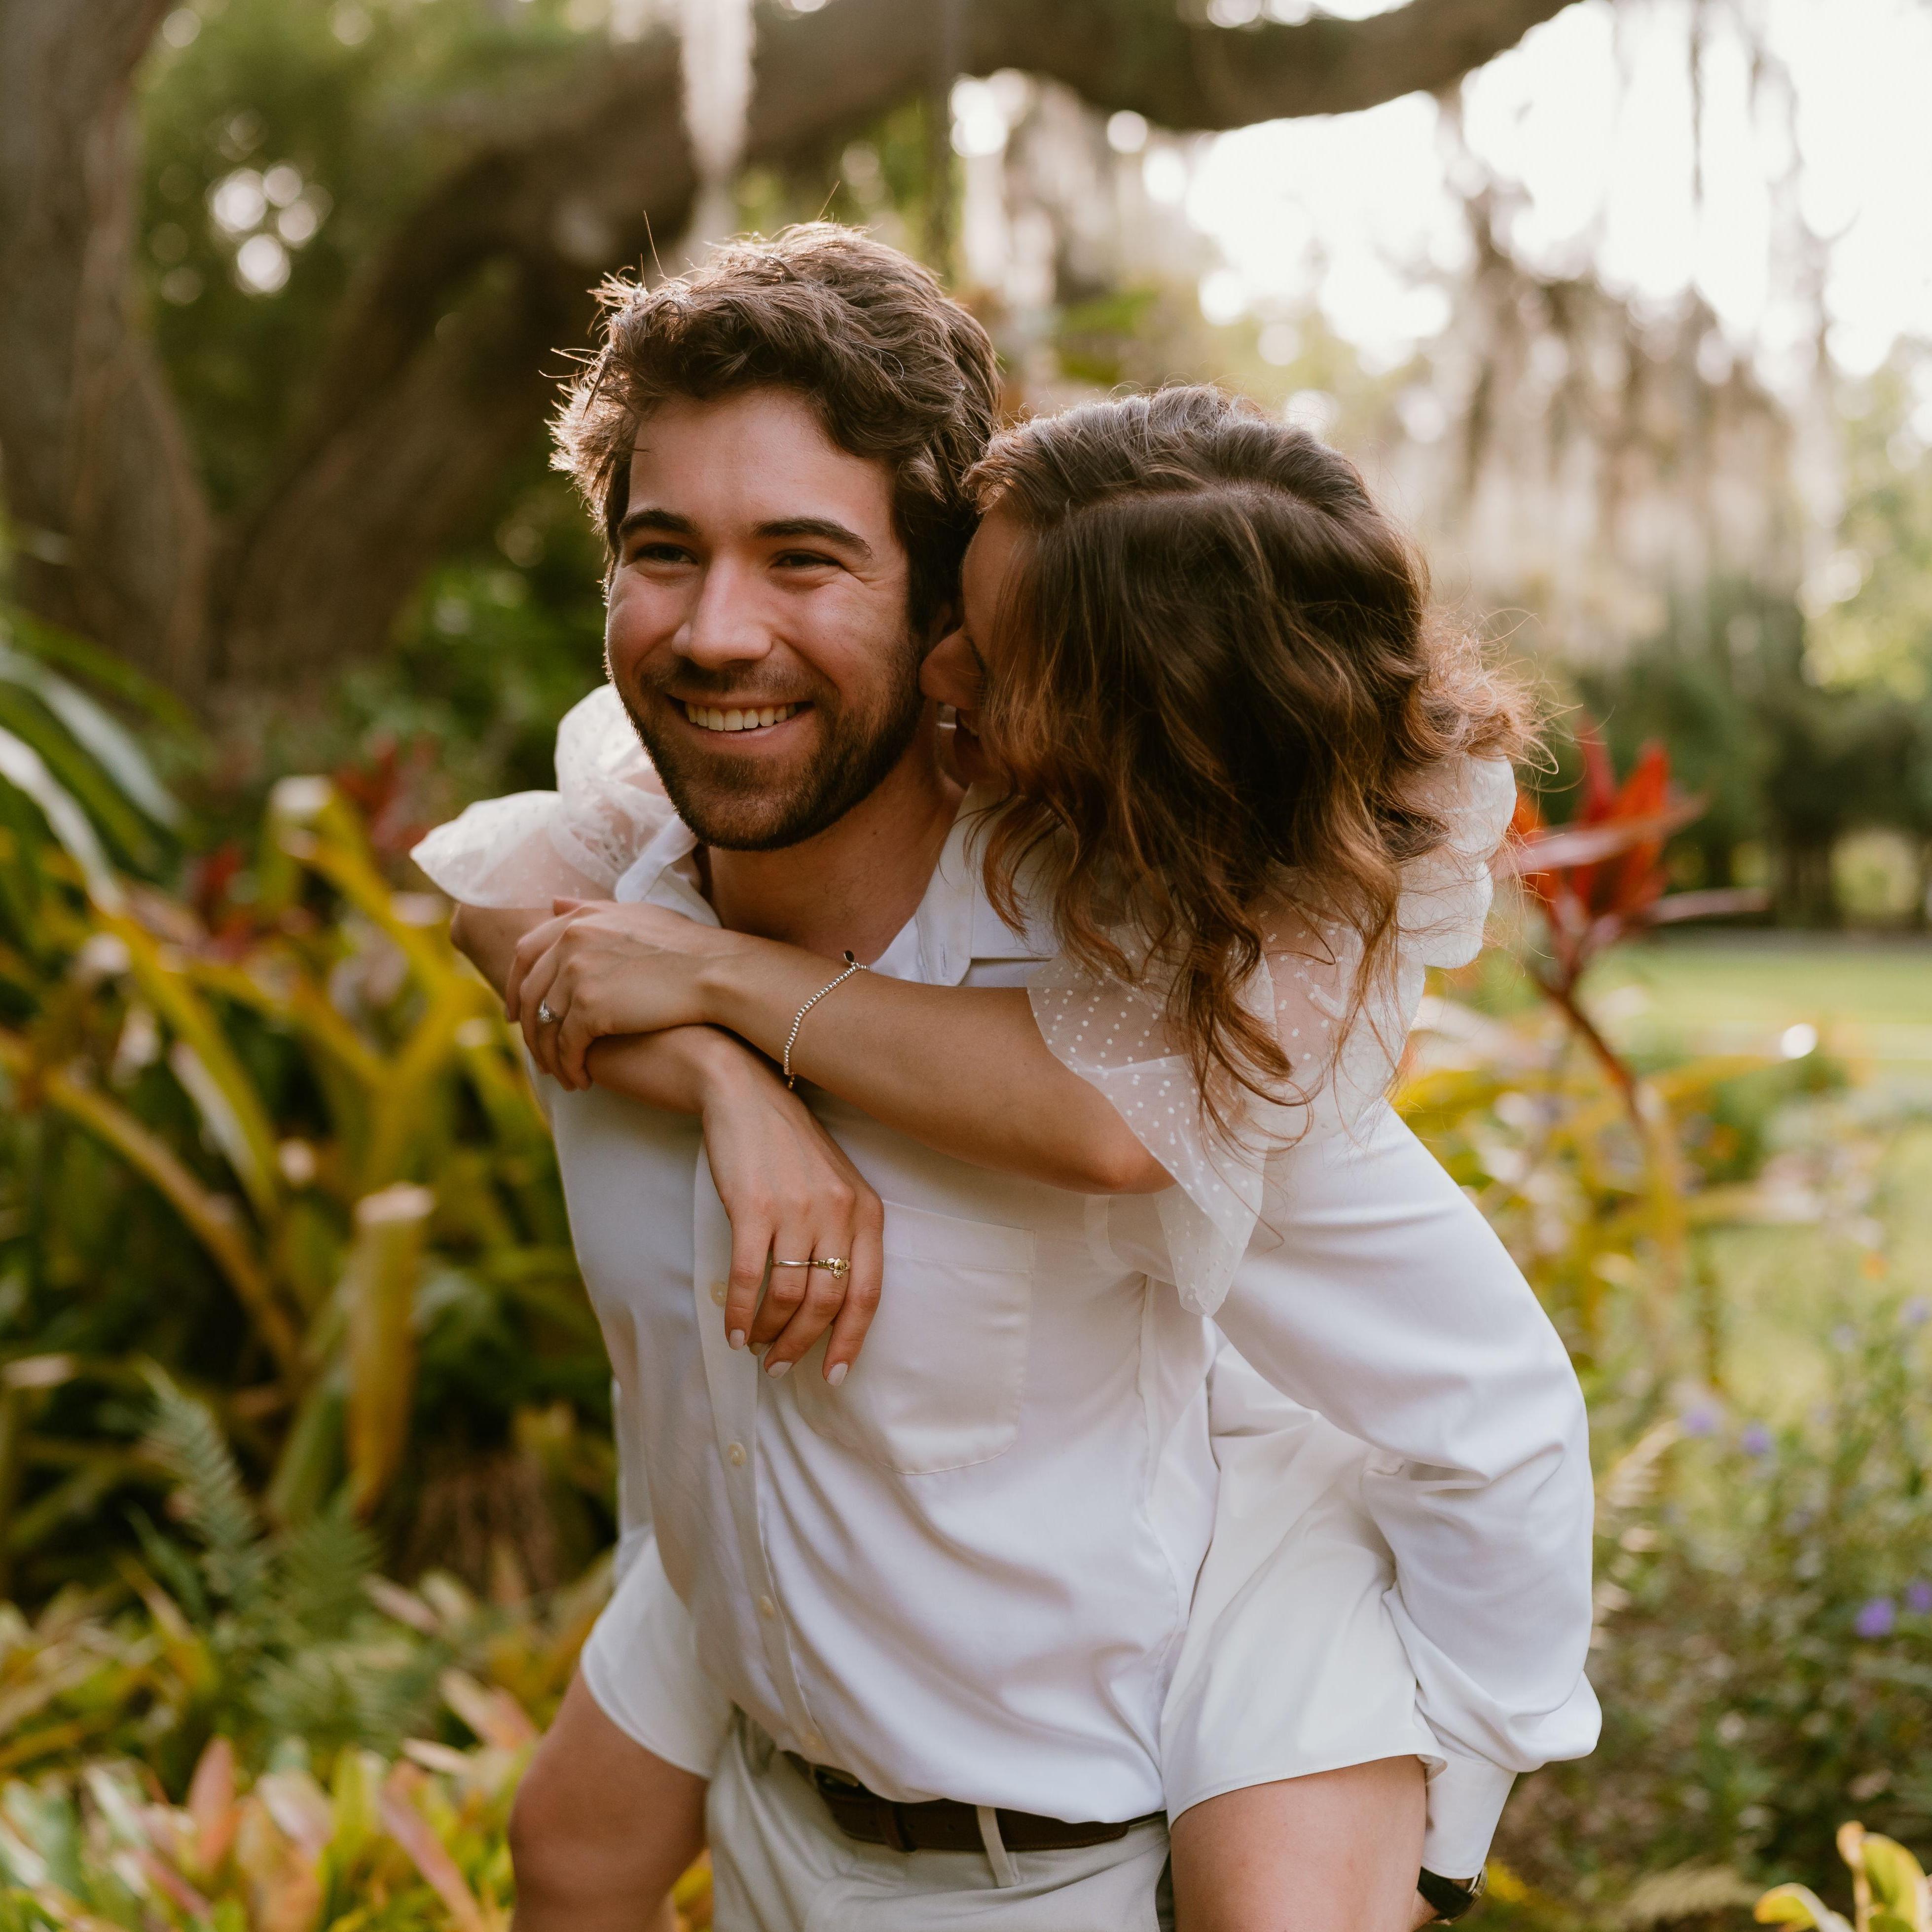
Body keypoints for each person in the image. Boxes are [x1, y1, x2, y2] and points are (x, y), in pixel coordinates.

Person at [414, 226, 1597, 1932]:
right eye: (664, 551)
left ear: (942, 585)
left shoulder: (1161, 1022)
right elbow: (497, 889)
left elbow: (1483, 1415)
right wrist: (734, 1088)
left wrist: (1427, 1834)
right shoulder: (629, 881)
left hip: (1067, 1880)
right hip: (757, 1823)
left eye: (807, 559)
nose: (717, 631)